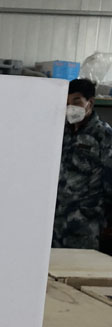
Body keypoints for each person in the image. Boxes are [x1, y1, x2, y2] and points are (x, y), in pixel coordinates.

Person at [52, 78, 112, 249]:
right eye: (67, 103)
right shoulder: (59, 131)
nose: (70, 107)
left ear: (90, 103)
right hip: (55, 220)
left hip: (84, 222)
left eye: (76, 101)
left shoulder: (103, 135)